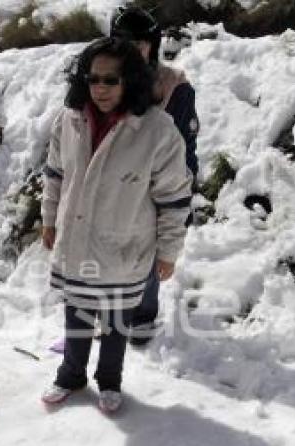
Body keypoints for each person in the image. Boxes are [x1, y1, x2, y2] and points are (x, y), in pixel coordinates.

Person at [40, 37, 192, 413]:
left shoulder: (157, 130)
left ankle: (110, 380)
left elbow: (173, 198)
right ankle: (71, 375)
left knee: (115, 320)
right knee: (76, 311)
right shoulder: (70, 118)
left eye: (112, 80)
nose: (101, 89)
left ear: (131, 81)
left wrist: (169, 251)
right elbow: (56, 175)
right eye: (94, 79)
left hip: (124, 244)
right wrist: (48, 218)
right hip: (76, 238)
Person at [111, 6, 200, 346]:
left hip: (154, 188)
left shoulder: (172, 87)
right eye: (124, 42)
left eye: (140, 43)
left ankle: (142, 320)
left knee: (148, 258)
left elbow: (184, 147)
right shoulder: (102, 78)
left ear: (152, 44)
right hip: (111, 186)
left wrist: (183, 194)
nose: (134, 50)